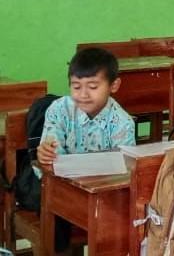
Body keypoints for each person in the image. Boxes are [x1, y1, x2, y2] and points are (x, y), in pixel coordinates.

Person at [37, 47, 136, 253]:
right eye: (76, 86)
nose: (83, 94)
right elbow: (52, 156)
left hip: (103, 195)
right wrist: (46, 153)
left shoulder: (122, 123)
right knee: (56, 219)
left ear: (114, 85)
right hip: (63, 187)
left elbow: (123, 172)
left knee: (116, 223)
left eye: (93, 86)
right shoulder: (59, 109)